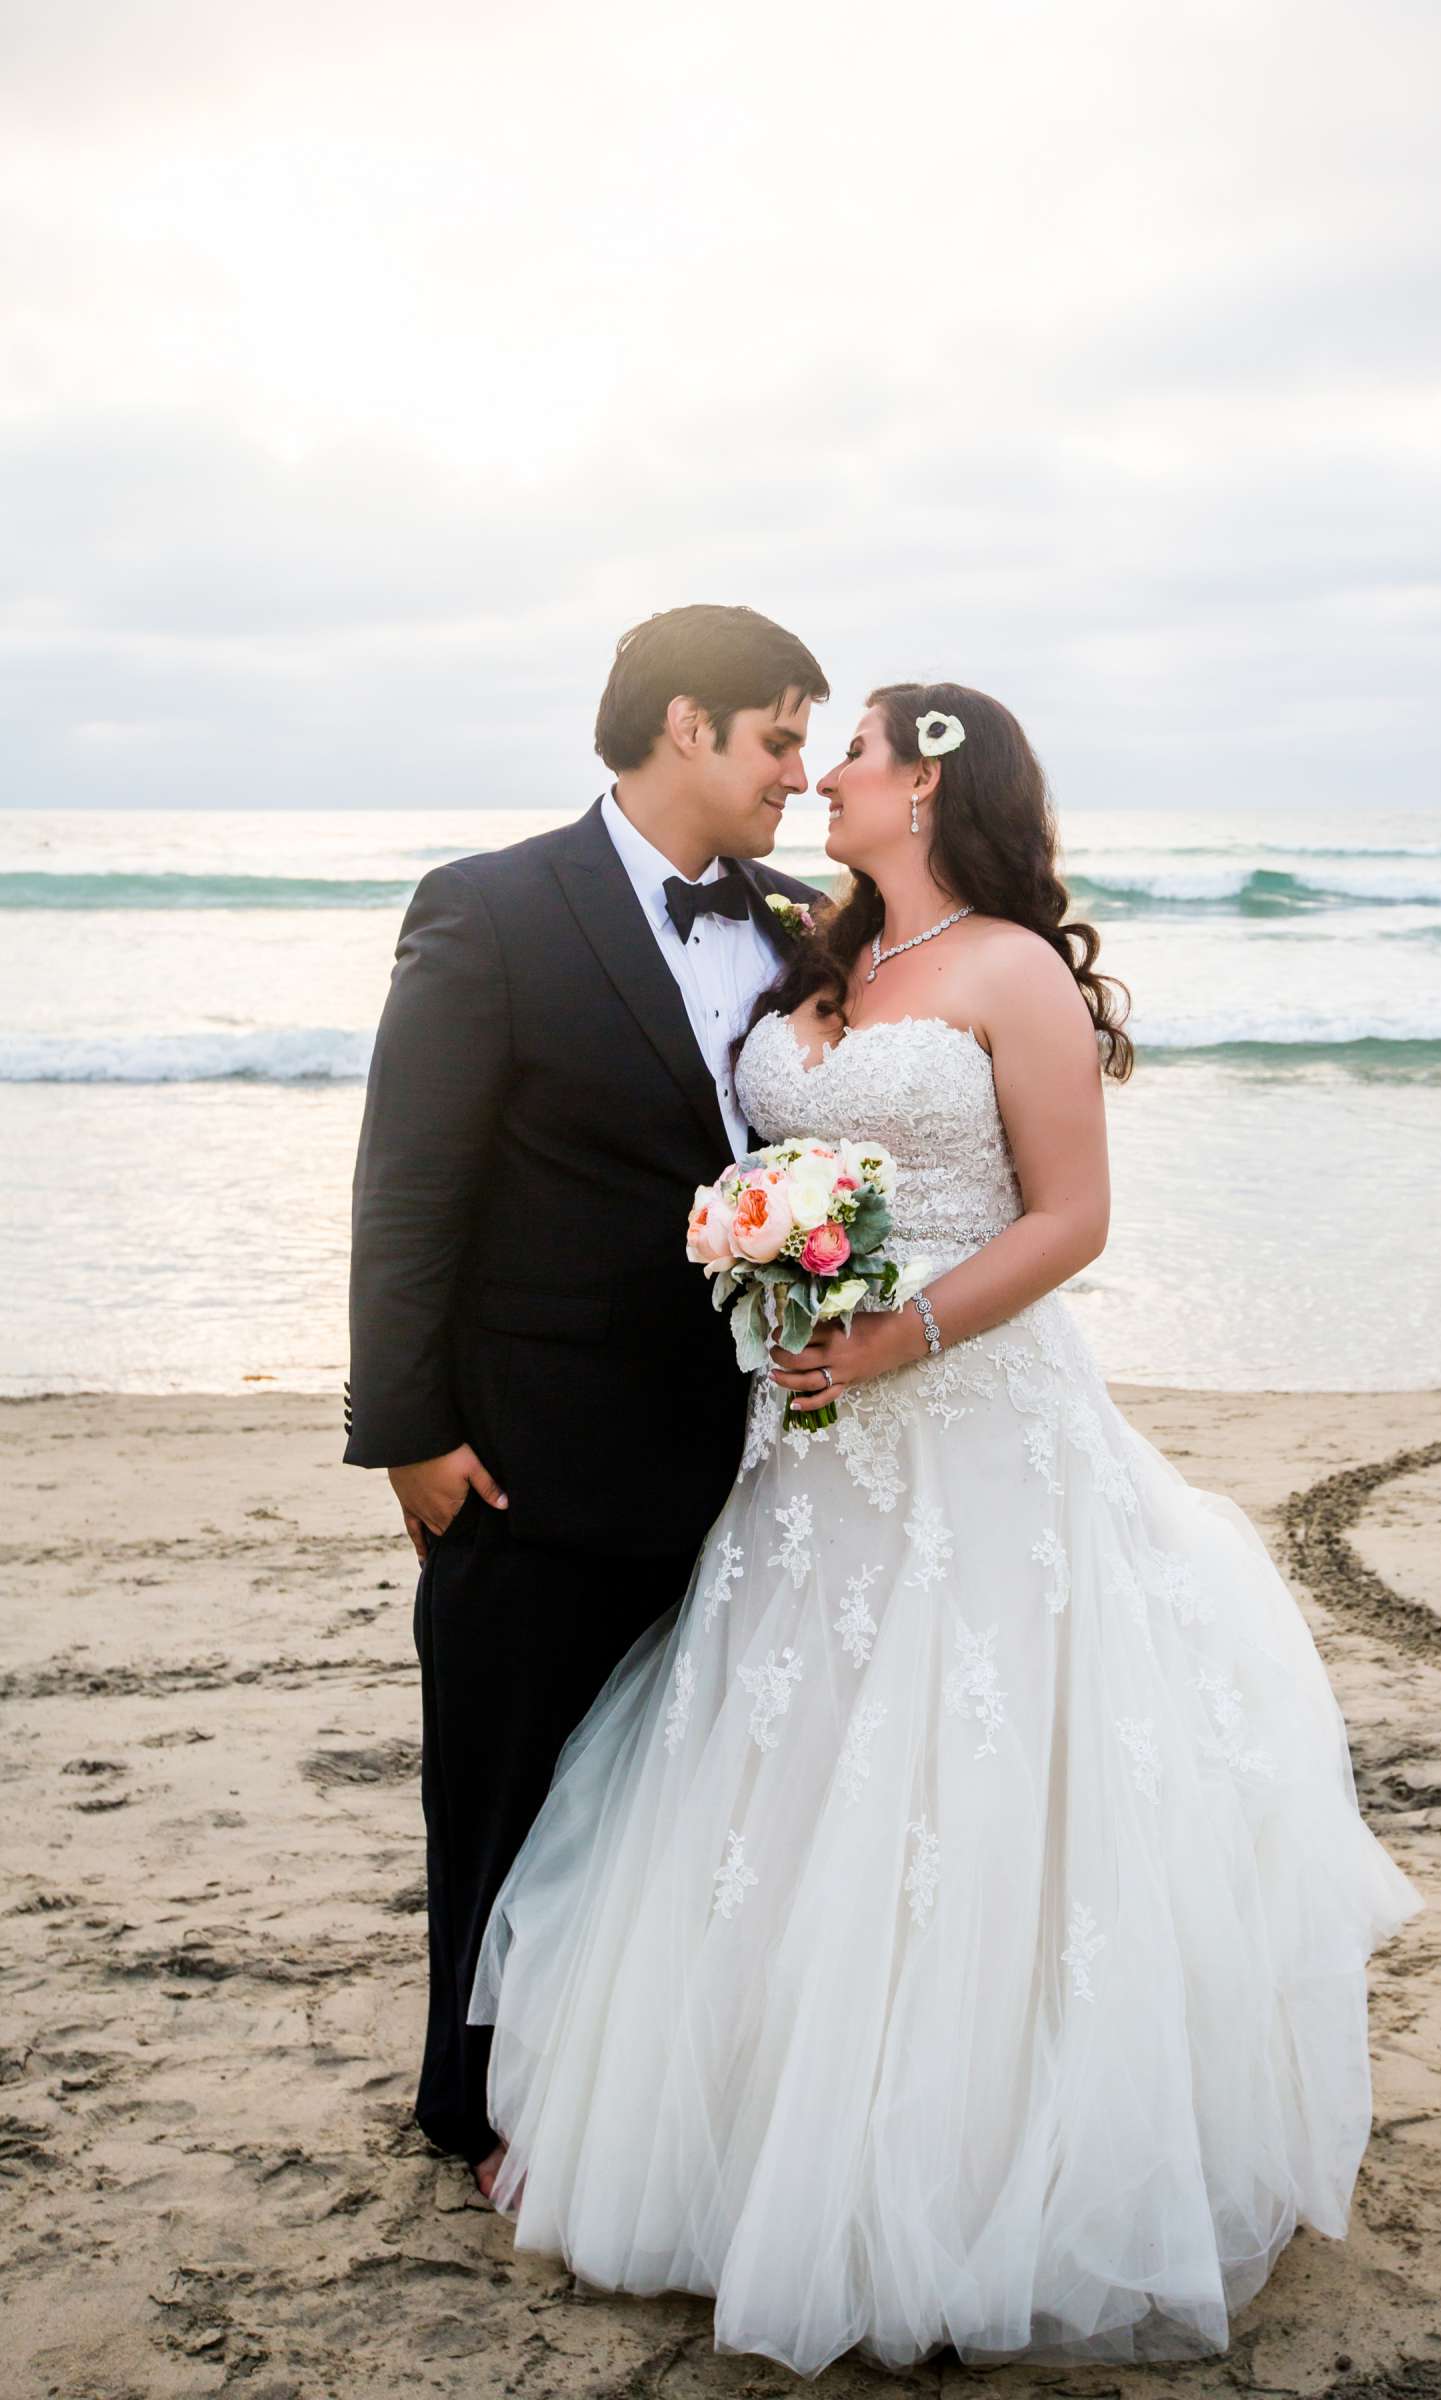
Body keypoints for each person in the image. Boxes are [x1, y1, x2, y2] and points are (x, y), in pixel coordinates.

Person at [467, 681, 1426, 2371]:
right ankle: (760, 2144)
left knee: (979, 1775)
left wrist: (902, 1334)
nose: (821, 771)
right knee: (789, 1759)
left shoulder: (1012, 969)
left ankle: (975, 2167)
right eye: (805, 746)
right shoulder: (811, 956)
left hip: (973, 1424)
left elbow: (1074, 1218)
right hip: (806, 1439)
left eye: (850, 750)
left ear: (928, 781)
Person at [342, 602, 830, 2193]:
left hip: (747, 1452)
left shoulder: (805, 921)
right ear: (686, 724)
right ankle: (468, 2105)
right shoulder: (489, 910)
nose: (796, 776)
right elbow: (408, 1187)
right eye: (777, 738)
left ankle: (636, 2096)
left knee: (682, 1795)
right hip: (530, 1457)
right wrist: (406, 1428)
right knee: (502, 1787)